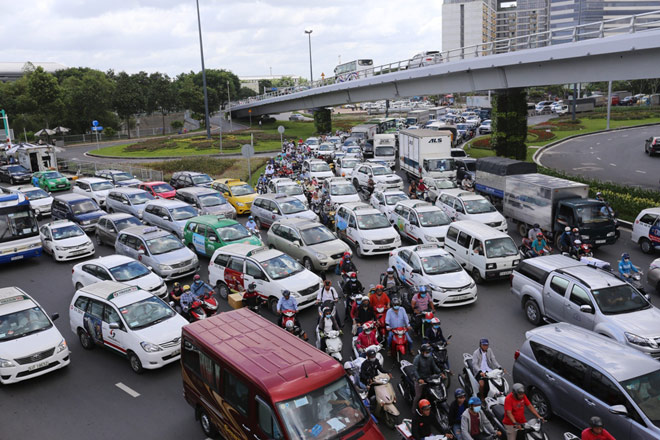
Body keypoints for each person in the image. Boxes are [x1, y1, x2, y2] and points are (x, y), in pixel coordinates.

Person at [411, 343, 443, 411]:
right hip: (419, 379)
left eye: (429, 352)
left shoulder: (430, 358)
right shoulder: (417, 358)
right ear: (422, 352)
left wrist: (440, 373)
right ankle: (413, 410)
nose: (428, 353)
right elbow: (414, 370)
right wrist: (419, 379)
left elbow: (434, 366)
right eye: (427, 352)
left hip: (428, 378)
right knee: (418, 396)